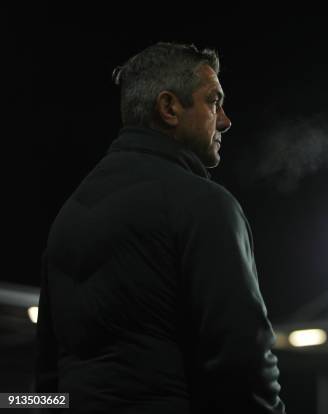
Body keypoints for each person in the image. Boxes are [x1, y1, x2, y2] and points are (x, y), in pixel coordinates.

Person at [35, 42, 285, 413]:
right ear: (169, 108)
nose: (225, 120)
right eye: (213, 102)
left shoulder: (68, 216)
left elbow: (47, 377)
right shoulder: (203, 205)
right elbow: (241, 359)